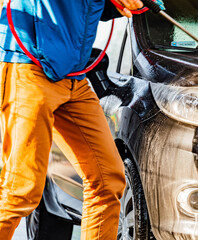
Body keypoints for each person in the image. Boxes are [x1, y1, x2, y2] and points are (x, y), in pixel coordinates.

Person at [0, 0, 143, 239]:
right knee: (20, 190)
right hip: (30, 67)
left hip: (74, 77)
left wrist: (113, 6)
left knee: (108, 181)